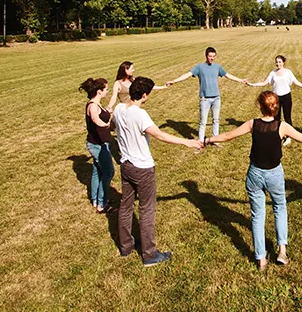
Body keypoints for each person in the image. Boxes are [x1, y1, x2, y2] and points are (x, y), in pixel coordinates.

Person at [204, 91, 302, 270]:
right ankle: (282, 250)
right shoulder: (282, 127)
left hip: (254, 174)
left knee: (257, 215)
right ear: (277, 108)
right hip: (274, 174)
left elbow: (226, 136)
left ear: (260, 107)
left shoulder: (252, 124)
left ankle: (261, 259)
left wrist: (207, 140)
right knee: (279, 207)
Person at [112, 76, 203, 265]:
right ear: (144, 95)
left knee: (126, 205)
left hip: (126, 165)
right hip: (142, 168)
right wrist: (187, 142)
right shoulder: (140, 114)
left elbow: (113, 125)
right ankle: (149, 254)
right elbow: (160, 135)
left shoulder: (119, 108)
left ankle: (126, 246)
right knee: (146, 210)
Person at [166, 47, 248, 143]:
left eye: (213, 56)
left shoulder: (217, 67)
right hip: (205, 99)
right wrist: (174, 81)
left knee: (216, 120)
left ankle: (215, 140)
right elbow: (187, 75)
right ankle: (200, 142)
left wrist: (241, 80)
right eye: (210, 56)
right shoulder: (199, 67)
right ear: (206, 56)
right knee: (203, 122)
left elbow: (228, 75)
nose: (212, 58)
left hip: (216, 98)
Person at [246, 55, 302, 144]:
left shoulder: (288, 72)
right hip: (275, 98)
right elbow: (264, 82)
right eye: (276, 62)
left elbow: (296, 82)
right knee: (276, 118)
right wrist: (252, 84)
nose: (278, 64)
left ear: (283, 63)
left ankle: (289, 136)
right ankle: (277, 135)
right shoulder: (272, 73)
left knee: (287, 117)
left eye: (280, 62)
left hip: (286, 97)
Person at [79, 77, 114, 214]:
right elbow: (95, 118)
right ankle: (102, 204)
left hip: (98, 143)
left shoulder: (97, 103)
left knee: (97, 172)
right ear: (99, 91)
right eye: (106, 89)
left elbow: (100, 115)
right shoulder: (93, 106)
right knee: (108, 172)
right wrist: (105, 124)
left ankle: (95, 199)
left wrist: (108, 112)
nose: (107, 91)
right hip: (98, 145)